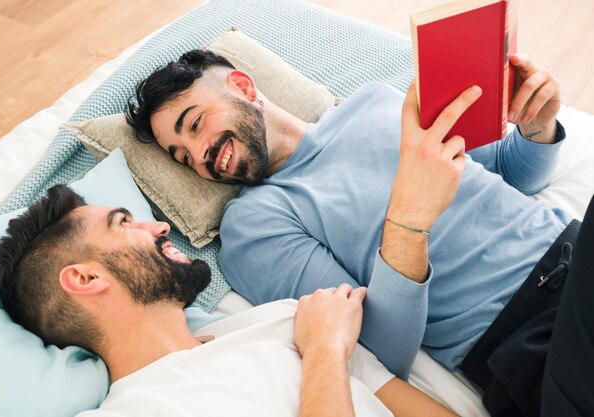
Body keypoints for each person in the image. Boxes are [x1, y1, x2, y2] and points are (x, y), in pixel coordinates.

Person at [125, 49, 594, 416]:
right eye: (183, 156)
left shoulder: (376, 101)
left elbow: (509, 174)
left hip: (574, 247)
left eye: (195, 125)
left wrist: (539, 125)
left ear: (244, 87)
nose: (199, 154)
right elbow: (379, 349)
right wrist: (408, 218)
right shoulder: (254, 227)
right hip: (529, 339)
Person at [0, 184, 458, 417]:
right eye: (123, 224)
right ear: (85, 277)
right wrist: (323, 355)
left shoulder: (290, 319)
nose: (159, 227)